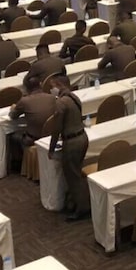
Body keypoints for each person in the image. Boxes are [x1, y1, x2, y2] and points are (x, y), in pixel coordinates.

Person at [47, 75, 90, 221]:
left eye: (52, 86)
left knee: (73, 177)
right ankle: (80, 201)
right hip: (82, 137)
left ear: (59, 85)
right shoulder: (74, 97)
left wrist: (52, 148)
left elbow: (56, 128)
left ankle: (82, 208)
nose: (51, 89)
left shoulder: (61, 103)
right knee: (77, 171)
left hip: (72, 142)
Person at [9, 74, 57, 167]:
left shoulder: (24, 101)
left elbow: (12, 116)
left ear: (26, 88)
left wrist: (13, 108)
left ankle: (18, 165)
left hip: (33, 138)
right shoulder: (51, 97)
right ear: (41, 84)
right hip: (50, 134)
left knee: (13, 137)